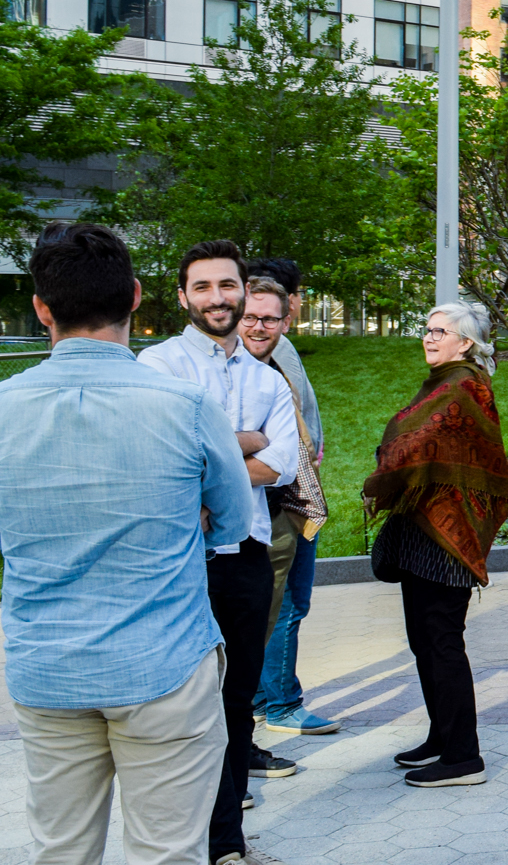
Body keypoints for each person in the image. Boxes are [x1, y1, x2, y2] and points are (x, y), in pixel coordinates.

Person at [0, 224, 256, 865]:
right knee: (167, 852)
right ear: (136, 296)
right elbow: (231, 524)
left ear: (41, 308)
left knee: (60, 850)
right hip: (164, 663)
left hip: (46, 665)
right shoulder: (187, 405)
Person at [137, 240, 299, 863]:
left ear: (243, 291)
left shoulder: (268, 380)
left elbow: (281, 464)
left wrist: (211, 461)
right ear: (183, 296)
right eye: (202, 286)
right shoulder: (157, 365)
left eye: (227, 285)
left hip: (246, 555)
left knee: (236, 703)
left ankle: (225, 841)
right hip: (179, 559)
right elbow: (161, 454)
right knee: (180, 702)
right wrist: (243, 443)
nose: (217, 297)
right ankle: (179, 835)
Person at [363, 302, 508, 788]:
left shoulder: (465, 385)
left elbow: (418, 442)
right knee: (423, 641)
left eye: (440, 331)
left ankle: (464, 756)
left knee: (443, 641)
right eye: (426, 330)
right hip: (422, 528)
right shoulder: (442, 381)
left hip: (448, 535)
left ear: (465, 342)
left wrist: (390, 458)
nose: (429, 338)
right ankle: (442, 736)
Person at [235, 278, 327, 790]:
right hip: (242, 521)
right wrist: (256, 445)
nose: (258, 326)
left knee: (285, 609)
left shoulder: (278, 366)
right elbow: (209, 452)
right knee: (255, 623)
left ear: (286, 319)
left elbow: (285, 456)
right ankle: (275, 709)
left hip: (290, 505)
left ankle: (258, 716)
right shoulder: (226, 373)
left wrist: (258, 448)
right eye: (250, 316)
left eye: (269, 318)